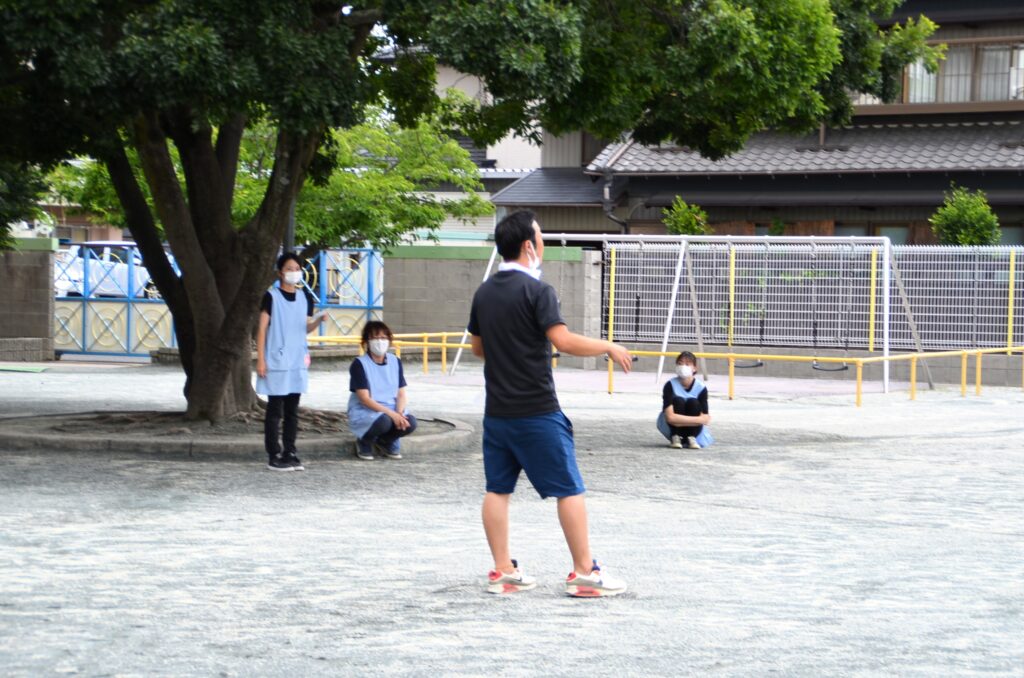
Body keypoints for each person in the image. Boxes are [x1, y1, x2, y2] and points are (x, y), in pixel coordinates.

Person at [468, 209, 633, 597]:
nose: (542, 243)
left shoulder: (484, 291)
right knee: (569, 489)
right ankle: (585, 572)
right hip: (537, 409)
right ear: (529, 246)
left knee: (497, 489)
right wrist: (608, 345)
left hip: (497, 413)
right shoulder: (539, 291)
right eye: (540, 237)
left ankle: (503, 569)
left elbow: (479, 349)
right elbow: (563, 340)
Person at [256, 252, 326, 472]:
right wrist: (261, 359)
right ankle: (273, 454)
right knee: (275, 410)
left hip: (296, 360)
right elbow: (261, 329)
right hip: (276, 359)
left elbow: (305, 328)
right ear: (280, 272)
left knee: (292, 411)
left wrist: (317, 321)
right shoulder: (271, 296)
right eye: (289, 268)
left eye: (297, 268)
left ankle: (290, 451)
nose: (293, 272)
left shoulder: (305, 297)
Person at [347, 321, 417, 460]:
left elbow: (401, 393)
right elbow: (364, 399)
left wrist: (399, 413)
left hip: (391, 407)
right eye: (375, 338)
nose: (380, 341)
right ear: (367, 340)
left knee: (411, 423)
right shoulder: (359, 364)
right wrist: (392, 414)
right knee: (384, 422)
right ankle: (365, 441)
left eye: (384, 338)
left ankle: (386, 441)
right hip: (366, 410)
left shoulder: (395, 361)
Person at [656, 351, 714, 450]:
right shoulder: (670, 385)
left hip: (695, 430)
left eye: (687, 364)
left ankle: (692, 437)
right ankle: (676, 437)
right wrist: (698, 420)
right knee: (678, 400)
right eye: (680, 363)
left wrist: (678, 420)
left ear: (694, 368)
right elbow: (670, 418)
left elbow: (706, 418)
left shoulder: (701, 388)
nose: (683, 366)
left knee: (693, 402)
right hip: (672, 427)